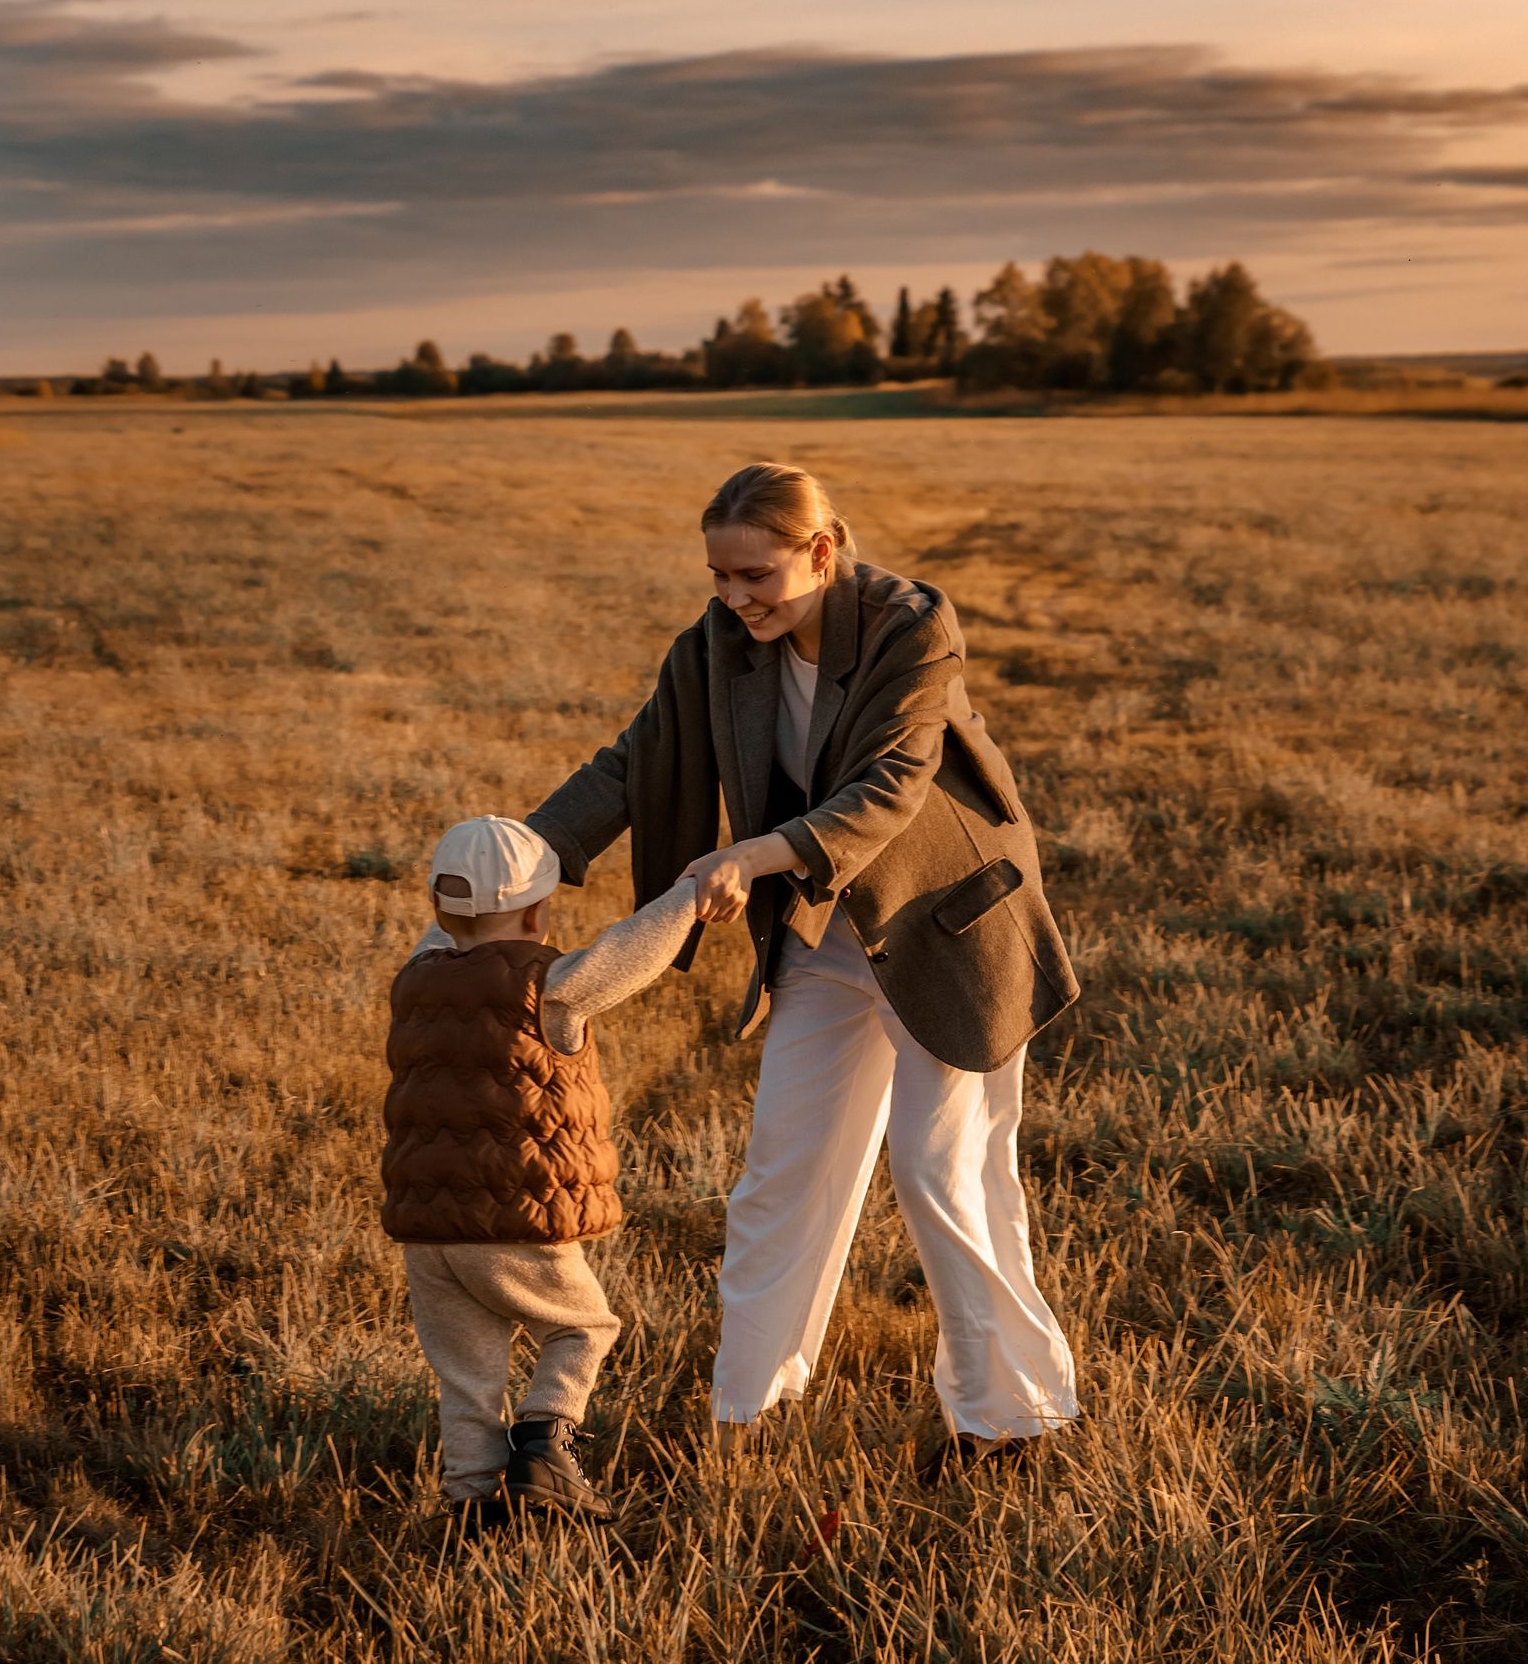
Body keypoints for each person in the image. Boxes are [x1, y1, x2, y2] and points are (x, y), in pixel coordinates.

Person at [525, 463, 1081, 1476]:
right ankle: (749, 1409)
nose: (734, 599)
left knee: (941, 1169)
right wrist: (524, 854)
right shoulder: (716, 644)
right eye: (719, 577)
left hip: (946, 926)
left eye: (755, 576)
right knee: (780, 1172)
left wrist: (752, 855)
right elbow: (635, 760)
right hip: (821, 935)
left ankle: (1012, 1422)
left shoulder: (913, 626)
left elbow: (891, 785)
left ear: (819, 552)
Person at [383, 815, 698, 1526]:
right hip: (513, 1223)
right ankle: (547, 1445)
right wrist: (688, 896)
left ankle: (470, 1504)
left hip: (428, 1233)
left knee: (467, 1374)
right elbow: (627, 953)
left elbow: (453, 934)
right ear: (537, 910)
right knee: (583, 1326)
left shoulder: (418, 974)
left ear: (438, 908)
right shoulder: (550, 984)